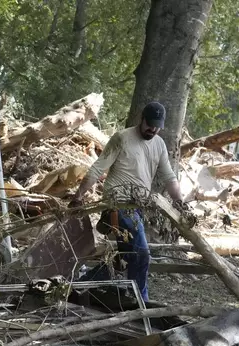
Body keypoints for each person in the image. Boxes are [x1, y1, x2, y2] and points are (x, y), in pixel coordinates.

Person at [68, 101, 184, 302]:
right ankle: (141, 300)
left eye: (157, 126)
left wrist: (180, 202)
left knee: (124, 256)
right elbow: (97, 169)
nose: (153, 130)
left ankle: (81, 284)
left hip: (138, 206)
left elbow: (169, 177)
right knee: (141, 254)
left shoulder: (159, 145)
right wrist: (78, 197)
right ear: (142, 119)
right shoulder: (122, 138)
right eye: (150, 125)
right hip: (118, 204)